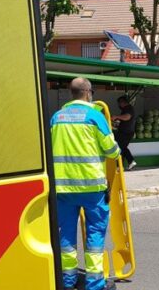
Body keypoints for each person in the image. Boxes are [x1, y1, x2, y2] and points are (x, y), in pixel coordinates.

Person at [50, 78, 120, 290]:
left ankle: (68, 280)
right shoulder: (94, 116)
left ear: (71, 93)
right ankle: (94, 282)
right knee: (95, 235)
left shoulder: (56, 117)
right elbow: (111, 150)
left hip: (62, 189)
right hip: (92, 189)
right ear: (88, 93)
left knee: (66, 236)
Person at [112, 96, 137, 170]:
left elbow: (127, 117)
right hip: (125, 132)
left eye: (119, 103)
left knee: (120, 148)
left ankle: (122, 165)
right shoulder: (126, 109)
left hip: (126, 132)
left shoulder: (129, 108)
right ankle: (128, 162)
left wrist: (117, 116)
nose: (119, 105)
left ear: (122, 102)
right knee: (122, 147)